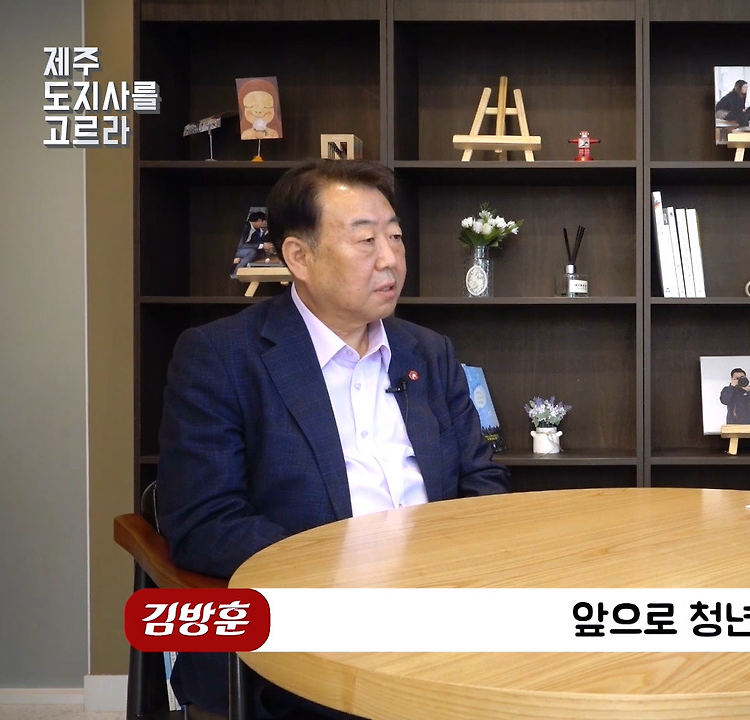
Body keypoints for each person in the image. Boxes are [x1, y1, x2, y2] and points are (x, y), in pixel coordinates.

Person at [157, 159, 511, 719]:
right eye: (366, 241)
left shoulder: (428, 351)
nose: (390, 259)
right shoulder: (221, 357)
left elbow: (482, 479)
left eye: (395, 237)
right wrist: (352, 578)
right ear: (299, 257)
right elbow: (206, 521)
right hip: (302, 628)